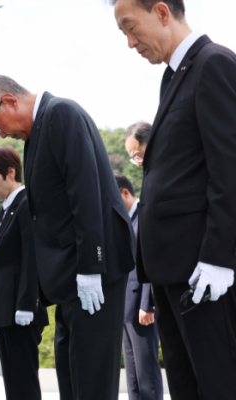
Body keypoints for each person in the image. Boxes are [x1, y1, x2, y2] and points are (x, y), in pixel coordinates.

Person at [0, 75, 135, 400]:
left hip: (93, 272)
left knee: (91, 382)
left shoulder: (61, 114)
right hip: (69, 278)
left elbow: (86, 191)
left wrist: (92, 266)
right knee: (71, 378)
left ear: (9, 101)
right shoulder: (35, 134)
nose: (1, 133)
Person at [113, 1, 236, 398]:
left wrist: (220, 257)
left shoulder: (214, 63)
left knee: (217, 385)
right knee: (186, 387)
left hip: (203, 271)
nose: (130, 43)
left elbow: (229, 167)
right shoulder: (174, 75)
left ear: (162, 12)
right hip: (172, 272)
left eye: (131, 27)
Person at [0, 146, 49, 400]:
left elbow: (32, 258)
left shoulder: (25, 204)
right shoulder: (8, 208)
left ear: (10, 172)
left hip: (22, 310)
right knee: (13, 384)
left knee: (24, 383)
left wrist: (27, 304)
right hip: (6, 311)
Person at [115, 172, 163, 400]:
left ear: (125, 193)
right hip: (126, 306)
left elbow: (154, 262)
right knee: (132, 373)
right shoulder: (125, 221)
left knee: (147, 372)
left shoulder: (146, 215)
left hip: (142, 307)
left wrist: (148, 304)